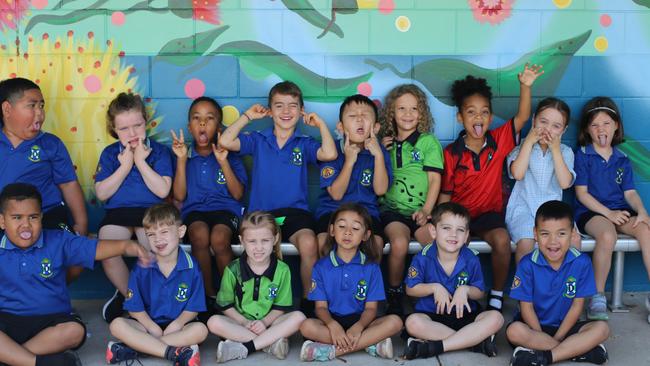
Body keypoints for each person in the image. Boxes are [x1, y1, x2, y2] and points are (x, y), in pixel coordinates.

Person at [0, 183, 151, 366]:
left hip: (51, 321)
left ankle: (11, 358)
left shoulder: (58, 240)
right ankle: (37, 362)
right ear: (2, 221)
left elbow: (94, 248)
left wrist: (127, 246)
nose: (26, 225)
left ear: (41, 217)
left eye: (33, 217)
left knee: (75, 331)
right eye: (17, 218)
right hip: (7, 320)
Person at [219, 80, 337, 314]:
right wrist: (247, 117)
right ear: (270, 111)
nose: (286, 112)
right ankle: (249, 305)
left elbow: (330, 153)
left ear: (301, 111)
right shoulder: (259, 139)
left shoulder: (304, 143)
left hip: (295, 214)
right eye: (279, 106)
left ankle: (308, 304)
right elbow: (225, 141)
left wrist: (321, 124)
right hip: (262, 215)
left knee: (308, 243)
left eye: (292, 106)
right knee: (257, 247)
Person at [438, 64, 544, 311]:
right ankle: (453, 293)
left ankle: (496, 294)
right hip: (459, 216)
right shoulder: (451, 153)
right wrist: (440, 222)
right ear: (460, 117)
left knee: (502, 239)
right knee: (451, 244)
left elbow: (522, 117)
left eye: (484, 112)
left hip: (489, 215)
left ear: (491, 116)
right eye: (471, 112)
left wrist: (525, 86)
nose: (478, 117)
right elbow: (445, 194)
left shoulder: (499, 140)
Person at [95, 92, 174, 323]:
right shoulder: (111, 154)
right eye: (124, 129)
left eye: (137, 126)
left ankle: (150, 299)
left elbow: (162, 191)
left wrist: (140, 161)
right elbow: (102, 193)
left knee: (155, 250)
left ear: (145, 122)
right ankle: (129, 295)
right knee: (106, 249)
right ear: (114, 130)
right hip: (118, 213)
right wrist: (125, 165)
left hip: (152, 212)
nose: (132, 134)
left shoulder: (158, 152)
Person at [0, 77, 88, 282]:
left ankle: (50, 300)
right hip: (6, 219)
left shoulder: (50, 144)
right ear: (7, 109)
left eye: (42, 106)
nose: (39, 113)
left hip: (48, 213)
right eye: (31, 105)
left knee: (78, 256)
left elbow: (68, 183)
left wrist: (81, 223)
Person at [573, 96, 650, 321]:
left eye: (606, 123)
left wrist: (642, 212)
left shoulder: (622, 158)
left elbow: (630, 193)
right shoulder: (583, 155)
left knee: (645, 228)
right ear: (587, 129)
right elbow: (582, 194)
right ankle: (597, 296)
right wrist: (608, 214)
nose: (601, 129)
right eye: (595, 125)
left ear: (616, 125)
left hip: (618, 210)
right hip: (591, 212)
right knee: (607, 234)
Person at [506, 200, 610, 366]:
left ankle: (544, 357)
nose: (553, 241)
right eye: (545, 234)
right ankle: (577, 351)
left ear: (572, 234)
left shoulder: (581, 262)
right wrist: (541, 336)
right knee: (514, 331)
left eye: (561, 234)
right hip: (534, 328)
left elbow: (577, 306)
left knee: (602, 329)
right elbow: (526, 307)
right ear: (535, 234)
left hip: (567, 328)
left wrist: (558, 337)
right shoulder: (527, 264)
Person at [299, 203, 403, 362]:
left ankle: (330, 351)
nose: (347, 232)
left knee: (395, 322)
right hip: (331, 322)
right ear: (332, 230)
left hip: (362, 322)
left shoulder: (371, 268)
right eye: (341, 226)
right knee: (306, 326)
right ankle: (370, 344)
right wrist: (333, 325)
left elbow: (371, 309)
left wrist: (359, 327)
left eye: (355, 228)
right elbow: (320, 308)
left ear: (366, 235)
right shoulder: (321, 267)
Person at [107, 203, 207, 366]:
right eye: (151, 234)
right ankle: (173, 352)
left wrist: (177, 324)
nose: (158, 239)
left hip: (179, 327)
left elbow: (193, 307)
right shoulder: (142, 266)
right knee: (116, 325)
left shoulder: (191, 266)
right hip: (147, 325)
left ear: (181, 231)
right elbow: (134, 308)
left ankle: (134, 348)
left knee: (201, 331)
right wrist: (151, 327)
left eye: (164, 232)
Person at [171, 96, 247, 311]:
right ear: (189, 126)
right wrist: (182, 160)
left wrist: (223, 162)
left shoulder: (229, 155)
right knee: (199, 235)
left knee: (219, 238)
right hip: (195, 212)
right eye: (197, 118)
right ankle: (207, 296)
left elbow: (238, 194)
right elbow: (179, 195)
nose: (202, 124)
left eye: (209, 119)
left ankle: (231, 296)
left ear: (219, 126)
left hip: (226, 210)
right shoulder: (183, 155)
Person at [403, 202, 503, 360]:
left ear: (466, 236)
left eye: (460, 230)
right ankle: (473, 342)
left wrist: (465, 290)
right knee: (412, 323)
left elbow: (479, 292)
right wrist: (435, 288)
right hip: (432, 315)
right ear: (433, 231)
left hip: (465, 315)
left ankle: (437, 346)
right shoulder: (423, 257)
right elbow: (411, 288)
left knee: (496, 318)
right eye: (446, 228)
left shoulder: (471, 258)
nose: (453, 235)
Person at [378, 84, 443, 315]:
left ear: (422, 113)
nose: (407, 114)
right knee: (399, 244)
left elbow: (434, 180)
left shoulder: (428, 142)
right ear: (391, 113)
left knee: (438, 243)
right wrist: (381, 148)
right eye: (401, 109)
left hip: (421, 211)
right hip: (392, 211)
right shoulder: (383, 143)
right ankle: (395, 294)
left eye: (414, 109)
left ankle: (434, 293)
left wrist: (427, 211)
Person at [208, 211, 305, 363]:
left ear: (275, 239)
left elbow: (280, 307)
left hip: (271, 323)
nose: (259, 247)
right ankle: (271, 344)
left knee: (299, 318)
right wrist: (244, 322)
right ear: (242, 240)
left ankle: (246, 347)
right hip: (241, 324)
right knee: (213, 322)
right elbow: (225, 306)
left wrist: (265, 322)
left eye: (265, 240)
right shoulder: (233, 269)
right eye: (252, 241)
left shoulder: (282, 269)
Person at [315, 94, 390, 257]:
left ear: (376, 128)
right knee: (322, 243)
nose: (359, 120)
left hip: (367, 212)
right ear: (341, 127)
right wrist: (349, 161)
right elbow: (336, 194)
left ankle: (367, 282)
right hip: (332, 211)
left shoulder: (380, 152)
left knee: (376, 244)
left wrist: (378, 156)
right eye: (353, 116)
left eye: (365, 116)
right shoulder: (332, 151)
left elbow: (380, 190)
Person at [506, 97, 579, 263]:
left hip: (553, 212)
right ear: (533, 121)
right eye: (543, 122)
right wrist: (530, 142)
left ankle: (562, 285)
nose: (548, 129)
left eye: (556, 126)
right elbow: (517, 173)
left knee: (574, 241)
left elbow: (564, 183)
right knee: (526, 244)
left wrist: (555, 150)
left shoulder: (565, 152)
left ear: (564, 130)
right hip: (523, 210)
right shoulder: (522, 146)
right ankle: (525, 287)